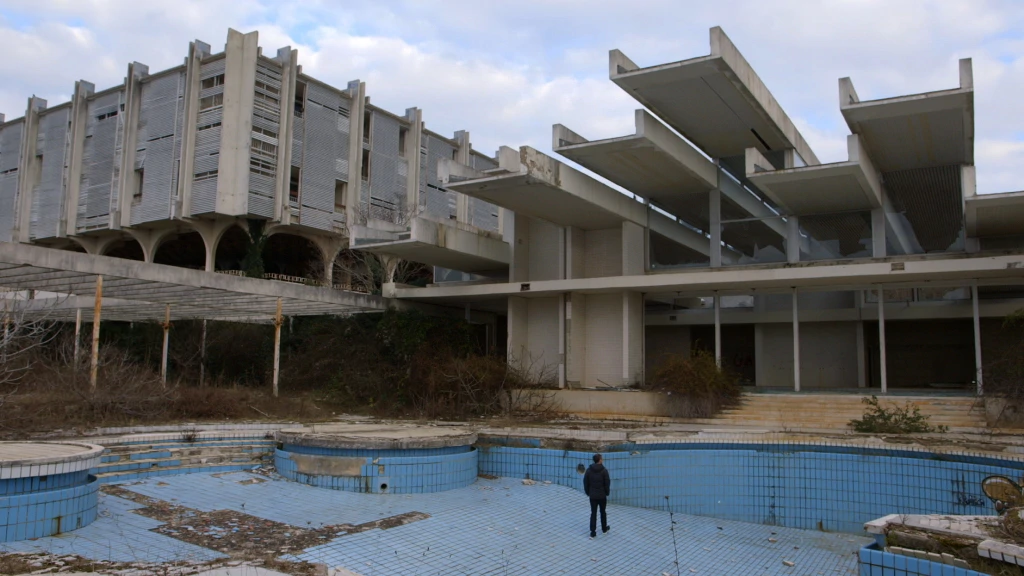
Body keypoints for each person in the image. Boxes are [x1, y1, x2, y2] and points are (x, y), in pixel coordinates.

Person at [583, 453, 610, 538]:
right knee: (603, 512)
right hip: (602, 496)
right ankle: (604, 529)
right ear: (600, 460)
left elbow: (585, 482)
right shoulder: (604, 471)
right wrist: (606, 492)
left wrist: (588, 492)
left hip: (593, 496)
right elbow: (607, 483)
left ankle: (593, 532)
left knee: (593, 513)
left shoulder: (589, 470)